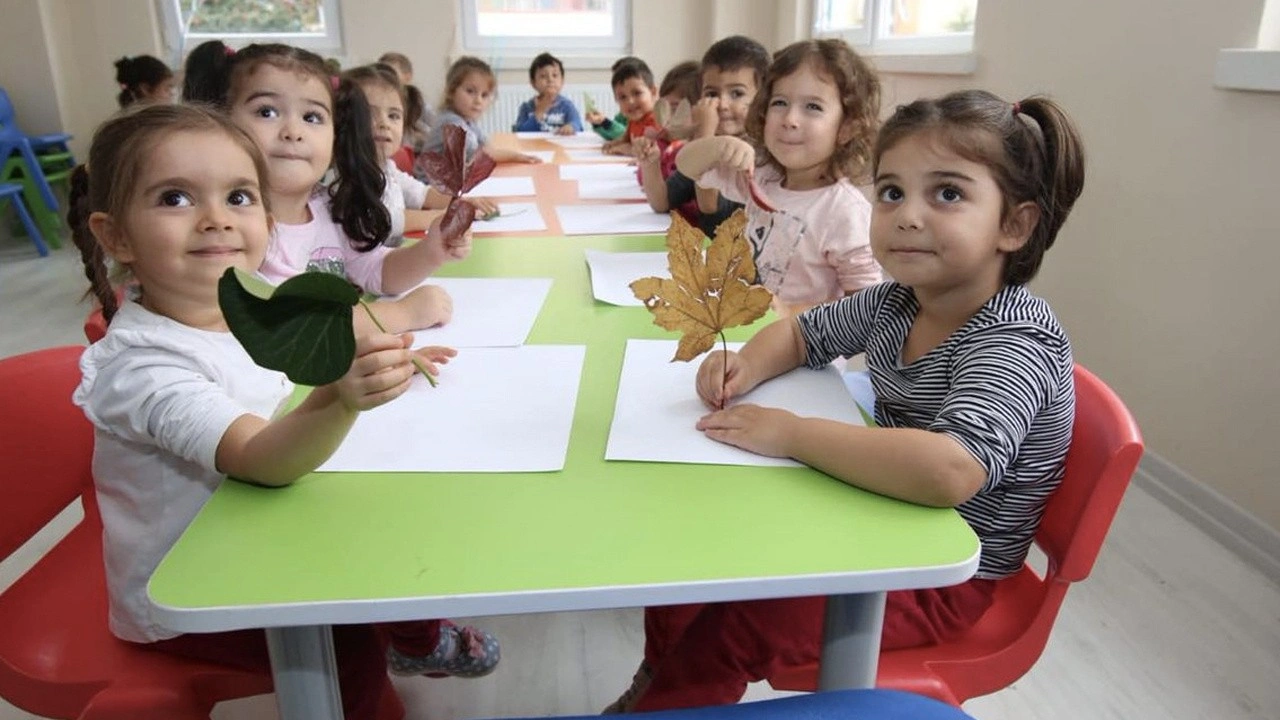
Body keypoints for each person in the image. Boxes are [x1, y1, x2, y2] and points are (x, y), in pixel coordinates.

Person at [605, 89, 1086, 713]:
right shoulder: (899, 300)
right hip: (876, 515)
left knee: (733, 627)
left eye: (947, 193)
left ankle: (674, 695)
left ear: (1014, 225)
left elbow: (947, 470)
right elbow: (804, 333)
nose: (908, 215)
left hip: (937, 575)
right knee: (690, 562)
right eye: (891, 192)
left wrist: (791, 434)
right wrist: (746, 364)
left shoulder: (1014, 342)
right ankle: (664, 681)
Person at [67, 103, 485, 720]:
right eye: (176, 199)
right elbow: (258, 458)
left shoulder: (244, 307)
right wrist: (339, 396)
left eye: (237, 197)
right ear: (115, 236)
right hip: (195, 588)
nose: (215, 220)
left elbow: (287, 383)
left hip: (262, 534)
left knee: (397, 543)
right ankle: (398, 657)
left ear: (267, 219)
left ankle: (414, 636)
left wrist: (378, 359)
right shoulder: (145, 366)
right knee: (351, 643)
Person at [183, 42, 469, 335]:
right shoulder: (226, 225)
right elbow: (286, 320)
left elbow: (374, 270)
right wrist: (401, 315)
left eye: (312, 117)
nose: (293, 132)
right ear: (222, 122)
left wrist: (431, 251)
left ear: (335, 134)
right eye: (267, 112)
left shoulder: (327, 206)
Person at [675, 39, 884, 316]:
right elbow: (688, 166)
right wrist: (715, 147)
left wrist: (791, 311)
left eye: (813, 107)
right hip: (744, 330)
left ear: (847, 127)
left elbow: (865, 308)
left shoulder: (846, 212)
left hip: (807, 351)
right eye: (780, 102)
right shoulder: (762, 176)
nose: (790, 119)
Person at [345, 64, 497, 245]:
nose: (384, 124)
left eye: (393, 116)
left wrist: (461, 203)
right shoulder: (348, 174)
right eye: (369, 114)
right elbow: (382, 221)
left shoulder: (385, 167)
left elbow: (421, 194)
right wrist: (440, 217)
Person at [638, 36, 769, 237]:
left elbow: (713, 211)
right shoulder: (698, 149)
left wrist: (705, 135)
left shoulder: (763, 154)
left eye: (737, 93)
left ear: (762, 99)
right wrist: (650, 163)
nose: (722, 104)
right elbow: (661, 202)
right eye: (712, 94)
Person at [422, 56, 541, 164]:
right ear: (451, 91)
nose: (478, 100)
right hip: (431, 184)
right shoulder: (450, 122)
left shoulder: (468, 121)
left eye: (484, 95)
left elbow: (486, 146)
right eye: (470, 91)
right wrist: (516, 157)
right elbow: (481, 155)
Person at [377, 52, 437, 153]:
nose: (385, 79)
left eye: (391, 74)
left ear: (407, 77)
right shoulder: (378, 102)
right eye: (381, 74)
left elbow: (436, 129)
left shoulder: (419, 104)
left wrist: (419, 137)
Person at [513, 52, 584, 135]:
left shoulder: (567, 106)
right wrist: (538, 112)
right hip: (535, 147)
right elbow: (520, 133)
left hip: (559, 146)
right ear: (533, 83)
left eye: (555, 75)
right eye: (543, 76)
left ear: (562, 81)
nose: (550, 80)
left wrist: (571, 127)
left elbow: (577, 124)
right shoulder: (526, 107)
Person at [601, 59, 661, 156]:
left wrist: (627, 149)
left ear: (653, 92)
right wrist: (615, 143)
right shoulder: (633, 120)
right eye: (623, 97)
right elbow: (625, 139)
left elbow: (651, 152)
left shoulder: (656, 121)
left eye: (637, 93)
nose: (630, 101)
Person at [585, 56, 643, 141]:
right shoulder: (622, 114)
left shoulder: (647, 116)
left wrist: (604, 122)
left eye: (637, 93)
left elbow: (627, 136)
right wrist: (597, 123)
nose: (630, 101)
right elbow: (613, 135)